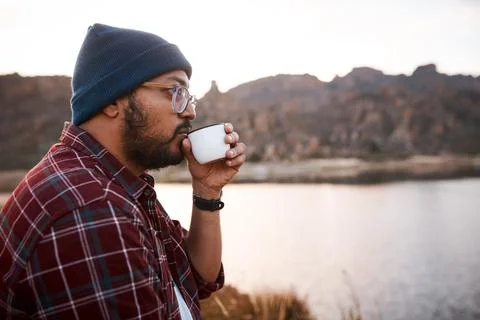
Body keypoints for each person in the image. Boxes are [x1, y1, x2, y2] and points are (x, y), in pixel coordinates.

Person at [0, 23, 246, 319]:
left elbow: (197, 279)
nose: (190, 111)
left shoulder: (115, 182)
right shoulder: (94, 209)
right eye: (175, 90)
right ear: (113, 101)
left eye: (188, 96)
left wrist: (207, 193)